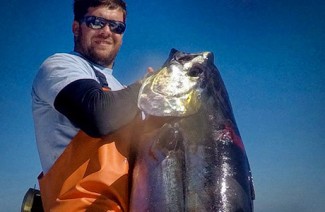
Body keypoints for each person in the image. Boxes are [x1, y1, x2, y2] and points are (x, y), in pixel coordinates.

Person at [31, 0, 143, 211]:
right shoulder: (60, 65)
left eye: (116, 26)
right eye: (96, 22)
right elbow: (98, 115)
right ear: (76, 27)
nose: (107, 31)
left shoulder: (123, 92)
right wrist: (152, 87)